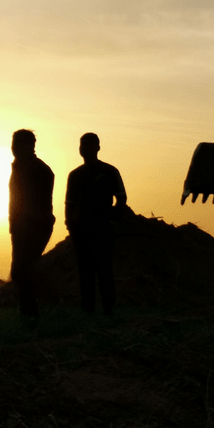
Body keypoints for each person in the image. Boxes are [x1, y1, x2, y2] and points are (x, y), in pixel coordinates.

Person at [65, 133, 127, 316]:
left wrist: (112, 217)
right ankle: (88, 310)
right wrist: (70, 226)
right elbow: (68, 204)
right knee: (85, 272)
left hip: (102, 228)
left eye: (90, 145)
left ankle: (108, 309)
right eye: (83, 145)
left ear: (98, 148)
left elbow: (122, 197)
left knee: (104, 270)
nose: (85, 148)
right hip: (81, 231)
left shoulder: (109, 171)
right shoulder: (75, 175)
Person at [9, 129, 55, 321]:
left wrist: (27, 225)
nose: (14, 148)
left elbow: (39, 204)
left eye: (19, 144)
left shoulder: (39, 170)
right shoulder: (19, 167)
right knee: (21, 271)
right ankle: (28, 312)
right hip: (21, 227)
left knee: (22, 270)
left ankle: (32, 313)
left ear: (30, 147)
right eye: (13, 144)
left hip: (35, 226)